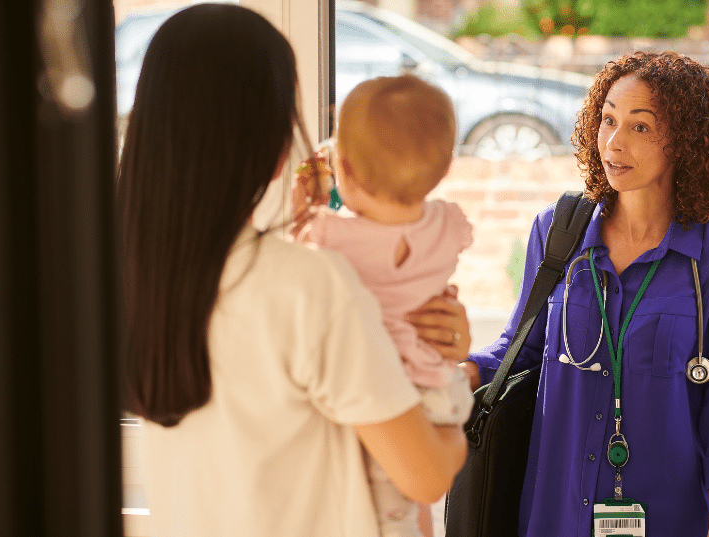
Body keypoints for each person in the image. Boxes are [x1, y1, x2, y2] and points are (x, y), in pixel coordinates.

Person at [117, 5, 469, 537]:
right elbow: (427, 475)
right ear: (281, 144)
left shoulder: (132, 282)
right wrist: (459, 385)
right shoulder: (309, 286)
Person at [460, 51, 709, 537]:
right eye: (608, 120)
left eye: (640, 127)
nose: (614, 143)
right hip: (550, 518)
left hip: (669, 522)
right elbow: (522, 349)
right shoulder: (558, 233)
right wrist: (461, 370)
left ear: (685, 142)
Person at [293, 74, 475, 537]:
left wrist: (310, 193)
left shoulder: (334, 236)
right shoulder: (448, 225)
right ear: (446, 166)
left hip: (387, 384)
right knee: (416, 496)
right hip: (440, 383)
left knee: (387, 500)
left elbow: (298, 236)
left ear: (345, 172)